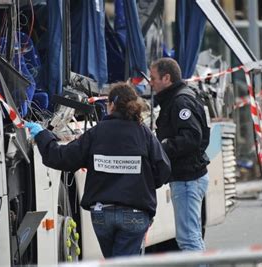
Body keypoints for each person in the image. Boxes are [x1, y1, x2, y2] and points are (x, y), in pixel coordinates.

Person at [25, 82, 171, 258]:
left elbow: (62, 158)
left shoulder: (96, 133)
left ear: (111, 105)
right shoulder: (144, 134)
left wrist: (42, 135)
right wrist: (143, 184)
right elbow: (163, 169)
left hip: (102, 215)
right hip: (135, 213)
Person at [149, 57, 210, 251]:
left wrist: (161, 147)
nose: (150, 83)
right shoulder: (180, 98)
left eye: (153, 78)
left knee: (188, 239)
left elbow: (192, 137)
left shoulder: (180, 101)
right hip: (188, 176)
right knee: (192, 237)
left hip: (187, 179)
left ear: (166, 78)